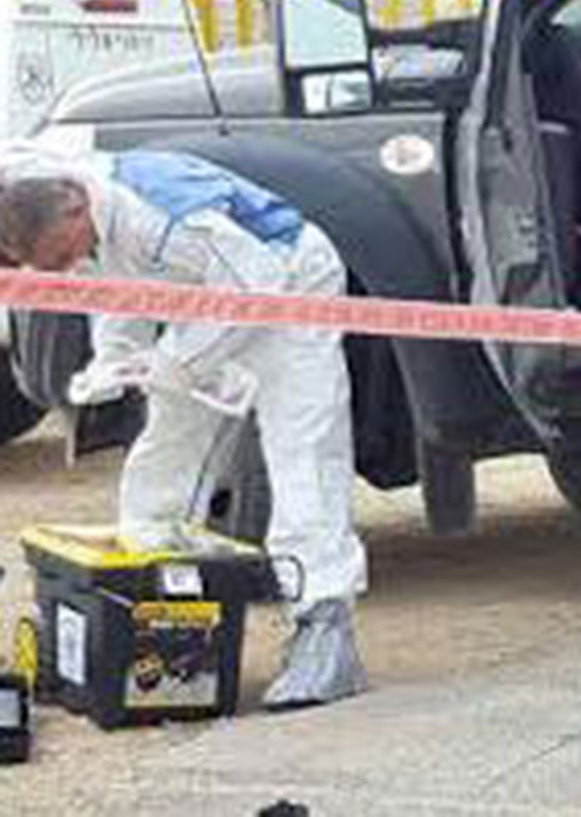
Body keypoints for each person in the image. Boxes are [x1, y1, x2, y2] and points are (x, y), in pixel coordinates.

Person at [0, 148, 369, 709]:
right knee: (171, 434)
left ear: (75, 208)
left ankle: (324, 624)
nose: (67, 268)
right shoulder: (88, 219)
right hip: (218, 293)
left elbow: (255, 286)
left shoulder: (160, 211)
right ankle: (145, 592)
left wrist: (179, 361)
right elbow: (120, 288)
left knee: (304, 448)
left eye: (61, 254)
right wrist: (116, 359)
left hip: (287, 281)